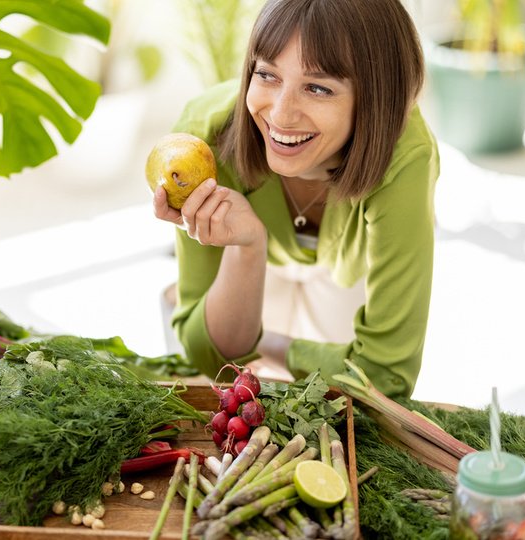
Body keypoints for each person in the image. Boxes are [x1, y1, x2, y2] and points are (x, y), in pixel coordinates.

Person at [152, 0, 438, 398]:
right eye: (267, 74)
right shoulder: (202, 142)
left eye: (318, 87)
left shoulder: (405, 156)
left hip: (344, 269)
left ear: (376, 96)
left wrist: (274, 346)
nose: (282, 116)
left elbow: (386, 376)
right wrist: (246, 247)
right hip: (263, 261)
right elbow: (210, 357)